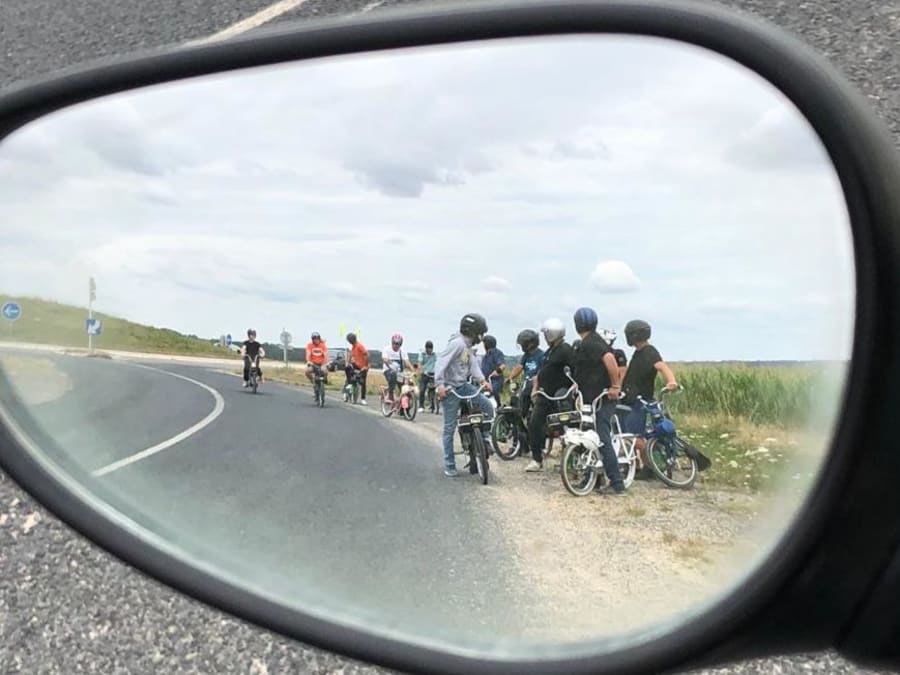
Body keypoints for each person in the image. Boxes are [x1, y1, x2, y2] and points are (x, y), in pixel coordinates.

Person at [571, 307, 627, 495]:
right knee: (588, 437)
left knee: (601, 437)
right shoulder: (589, 341)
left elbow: (610, 359)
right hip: (591, 399)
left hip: (602, 399)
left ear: (577, 324)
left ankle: (617, 482)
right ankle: (591, 479)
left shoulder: (592, 342)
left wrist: (615, 386)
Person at [435, 313, 495, 478]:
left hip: (463, 386)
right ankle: (450, 465)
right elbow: (440, 363)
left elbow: (473, 365)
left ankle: (484, 439)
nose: (481, 337)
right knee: (449, 428)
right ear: (472, 331)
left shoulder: (467, 346)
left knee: (488, 407)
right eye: (480, 333)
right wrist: (439, 385)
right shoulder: (457, 344)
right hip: (450, 389)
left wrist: (483, 381)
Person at [619, 319, 679, 473]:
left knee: (632, 437)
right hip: (631, 399)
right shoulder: (639, 353)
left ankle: (651, 465)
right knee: (629, 434)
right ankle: (640, 467)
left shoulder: (649, 352)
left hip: (640, 401)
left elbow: (662, 366)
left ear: (635, 335)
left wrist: (671, 381)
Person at [525, 318, 574, 472]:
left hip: (559, 396)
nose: (545, 337)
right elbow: (542, 372)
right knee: (534, 424)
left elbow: (575, 369)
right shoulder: (550, 351)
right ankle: (537, 459)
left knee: (566, 426)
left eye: (546, 334)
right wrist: (535, 388)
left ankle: (569, 460)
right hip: (544, 394)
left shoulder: (566, 350)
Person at [506, 329, 544, 426]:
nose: (522, 346)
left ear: (530, 343)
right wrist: (510, 377)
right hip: (527, 382)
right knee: (516, 397)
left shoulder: (541, 355)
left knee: (525, 395)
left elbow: (543, 371)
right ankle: (520, 420)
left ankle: (523, 416)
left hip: (537, 383)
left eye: (523, 343)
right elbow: (519, 367)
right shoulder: (526, 356)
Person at [382, 333, 415, 401]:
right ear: (392, 342)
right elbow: (385, 359)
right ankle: (390, 395)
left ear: (401, 344)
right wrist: (390, 363)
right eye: (394, 343)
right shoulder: (387, 349)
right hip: (388, 371)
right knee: (393, 375)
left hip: (399, 373)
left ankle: (404, 405)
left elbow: (406, 362)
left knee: (404, 385)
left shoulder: (402, 351)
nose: (396, 345)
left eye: (398, 344)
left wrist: (412, 369)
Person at [479, 335, 507, 408]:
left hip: (495, 380)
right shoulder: (486, 356)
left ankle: (498, 406)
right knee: (477, 393)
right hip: (486, 380)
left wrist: (497, 371)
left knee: (493, 390)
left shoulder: (497, 353)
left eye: (484, 343)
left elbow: (502, 365)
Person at [344, 332, 369, 405]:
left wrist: (365, 365)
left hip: (362, 366)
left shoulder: (359, 346)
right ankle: (348, 386)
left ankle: (363, 398)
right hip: (356, 365)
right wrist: (347, 363)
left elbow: (366, 354)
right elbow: (350, 355)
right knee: (347, 368)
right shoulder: (353, 346)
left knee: (363, 382)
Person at [417, 340, 437, 412]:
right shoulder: (422, 354)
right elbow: (419, 363)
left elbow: (438, 363)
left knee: (432, 390)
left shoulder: (434, 355)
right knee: (422, 390)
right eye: (428, 349)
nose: (430, 351)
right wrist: (421, 369)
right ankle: (421, 406)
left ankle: (432, 406)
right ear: (426, 348)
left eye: (431, 349)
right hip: (424, 373)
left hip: (432, 374)